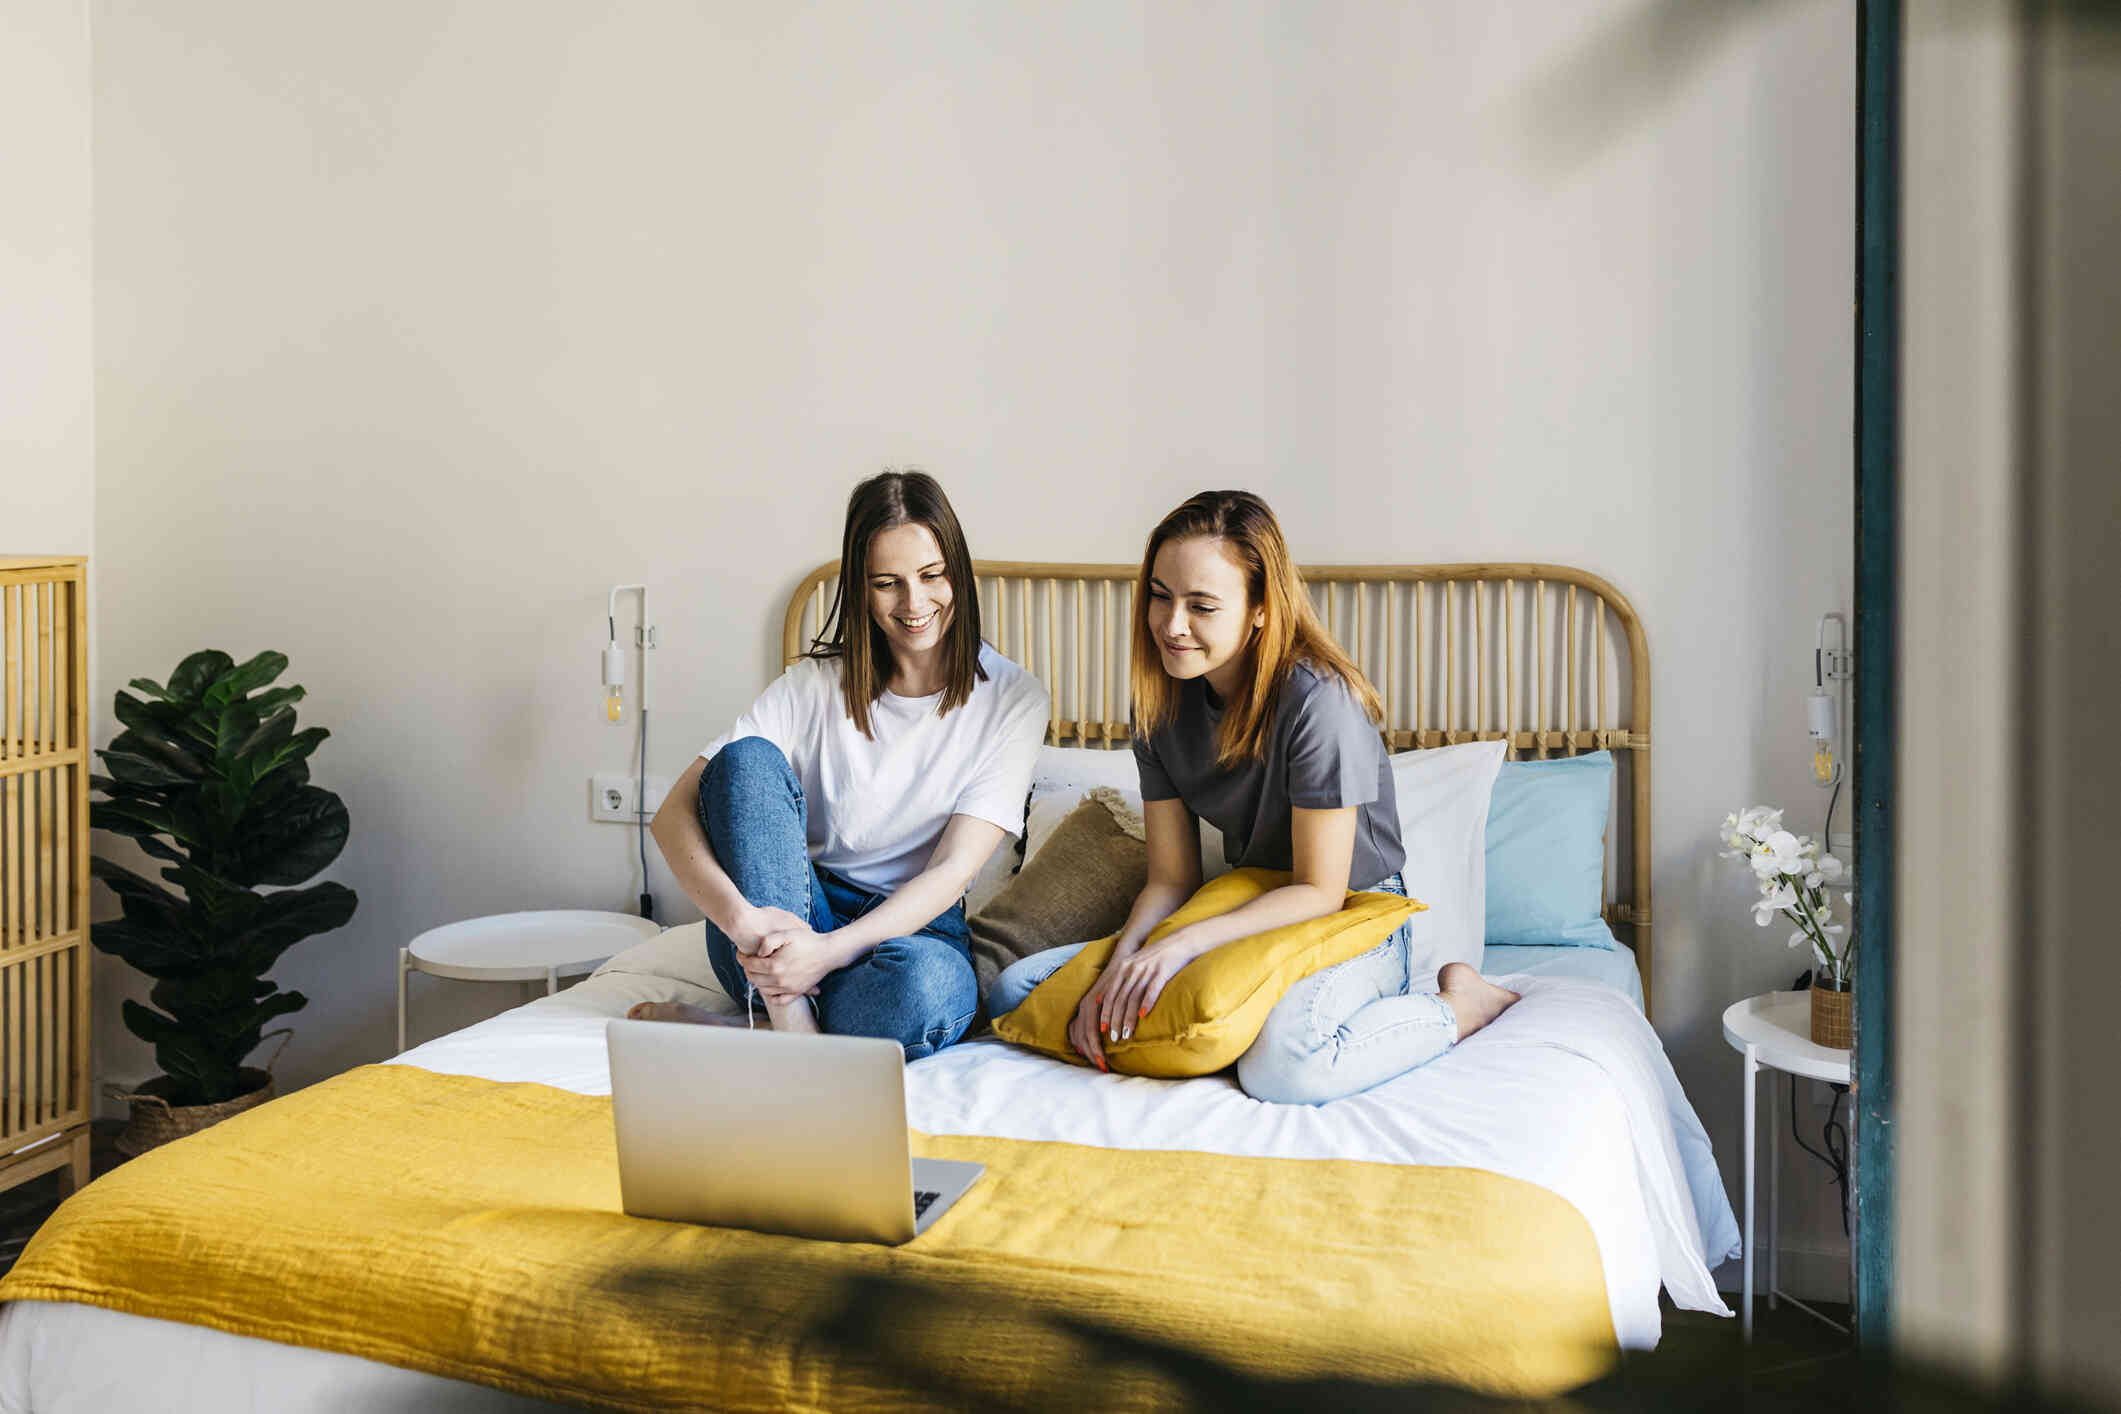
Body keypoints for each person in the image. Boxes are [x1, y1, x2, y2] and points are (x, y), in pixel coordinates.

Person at [989, 490, 1519, 1102]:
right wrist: (1123, 963)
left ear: (1262, 608)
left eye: (1202, 606)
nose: (1172, 625)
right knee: (1020, 992)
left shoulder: (1320, 704)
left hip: (1355, 913)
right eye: (1160, 596)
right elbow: (1170, 880)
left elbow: (1320, 891)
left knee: (1285, 1069)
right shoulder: (1159, 700)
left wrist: (1180, 945)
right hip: (1243, 904)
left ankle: (1463, 1005)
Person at [628, 470, 1048, 1058]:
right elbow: (670, 816)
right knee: (744, 761)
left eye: (931, 576)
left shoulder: (1013, 699)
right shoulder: (812, 685)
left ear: (959, 571)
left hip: (909, 935)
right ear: (859, 587)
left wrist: (823, 955)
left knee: (928, 991)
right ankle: (791, 1026)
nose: (914, 603)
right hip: (780, 916)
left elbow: (952, 870)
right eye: (887, 583)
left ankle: (765, 1028)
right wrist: (751, 929)